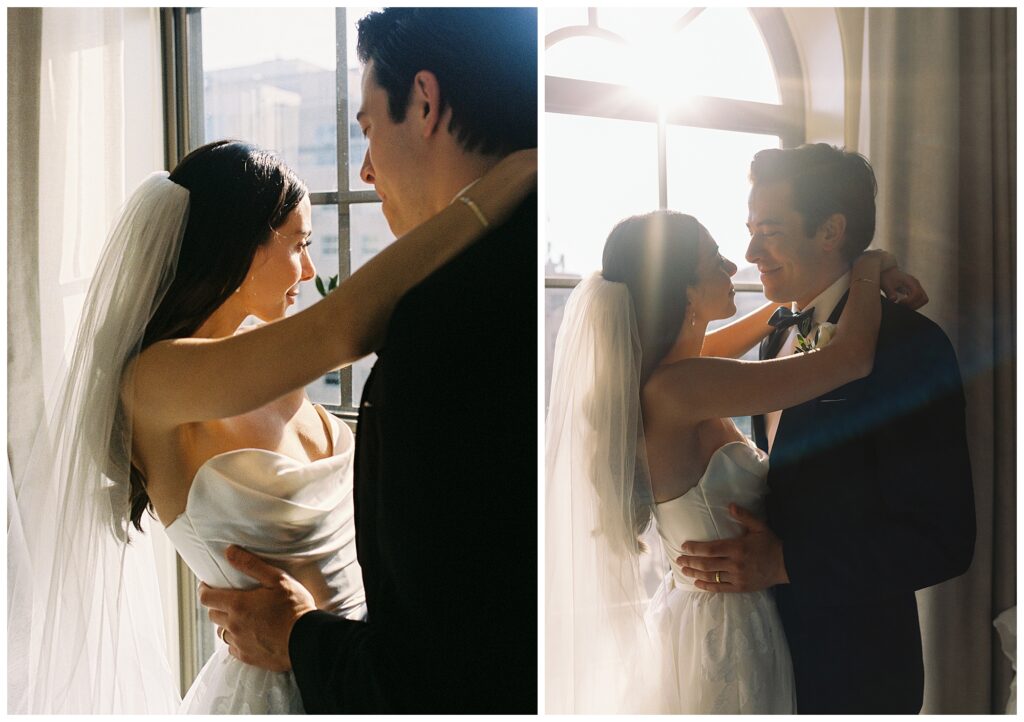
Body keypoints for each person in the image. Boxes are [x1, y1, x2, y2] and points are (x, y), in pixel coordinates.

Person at [15, 137, 535, 714]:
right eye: (299, 244)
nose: (311, 270)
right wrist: (502, 185)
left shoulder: (270, 370)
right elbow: (347, 325)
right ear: (240, 247)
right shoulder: (153, 382)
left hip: (363, 668)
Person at [199, 7, 538, 713]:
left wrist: (298, 636)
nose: (363, 167)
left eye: (366, 128)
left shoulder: (445, 324)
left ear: (424, 100)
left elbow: (433, 679)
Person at [545, 206, 930, 713]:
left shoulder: (663, 373)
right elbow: (851, 358)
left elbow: (771, 321)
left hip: (705, 610)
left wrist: (808, 295)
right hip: (729, 635)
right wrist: (867, 263)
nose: (732, 268)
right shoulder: (681, 388)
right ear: (683, 290)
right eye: (715, 259)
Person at [677, 144, 975, 713]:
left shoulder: (908, 346)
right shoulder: (775, 334)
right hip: (753, 661)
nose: (749, 251)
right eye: (749, 228)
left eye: (769, 230)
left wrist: (785, 563)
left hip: (856, 672)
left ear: (831, 230)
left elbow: (944, 542)